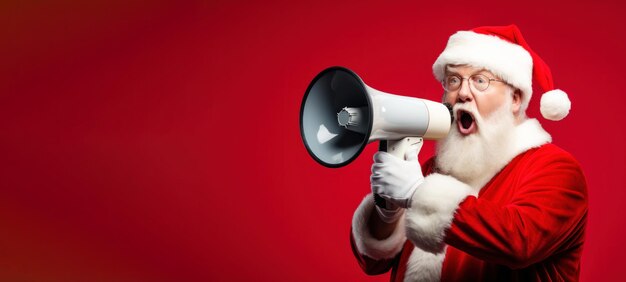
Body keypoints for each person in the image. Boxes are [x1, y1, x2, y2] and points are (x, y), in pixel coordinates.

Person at [350, 25, 588, 281]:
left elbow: (520, 241)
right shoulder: (433, 170)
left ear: (515, 98)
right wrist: (387, 211)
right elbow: (374, 262)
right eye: (453, 80)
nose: (462, 93)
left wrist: (417, 194)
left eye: (480, 81)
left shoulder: (556, 169)